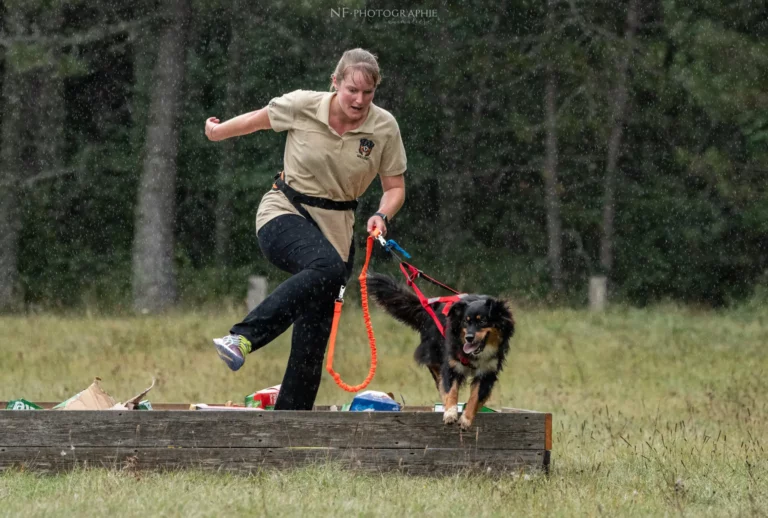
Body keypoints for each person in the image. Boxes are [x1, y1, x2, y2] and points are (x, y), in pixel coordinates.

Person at [204, 48, 407, 410]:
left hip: (338, 229)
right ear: (335, 83)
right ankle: (242, 338)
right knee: (326, 268)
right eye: (352, 90)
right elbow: (257, 120)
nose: (360, 100)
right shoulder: (302, 104)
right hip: (283, 211)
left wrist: (382, 215)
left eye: (368, 93)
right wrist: (217, 132)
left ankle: (290, 428)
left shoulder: (384, 127)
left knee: (314, 335)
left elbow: (395, 188)